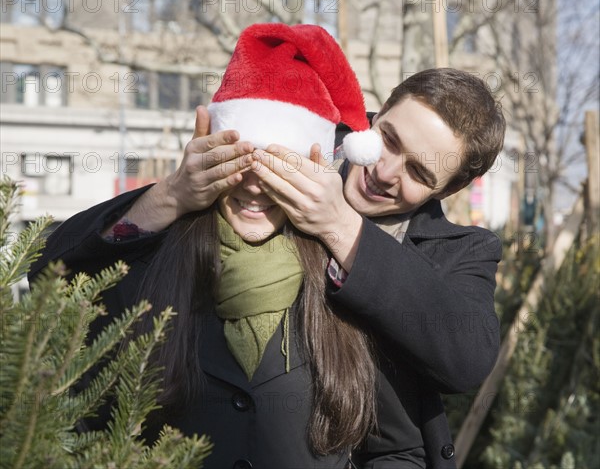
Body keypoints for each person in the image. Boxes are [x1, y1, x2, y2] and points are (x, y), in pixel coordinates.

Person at [30, 23, 428, 469]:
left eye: (279, 165)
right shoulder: (149, 267)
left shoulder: (349, 286)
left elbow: (400, 451)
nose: (255, 187)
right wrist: (171, 194)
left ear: (315, 167)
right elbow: (47, 274)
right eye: (240, 158)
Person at [174, 67, 506, 469]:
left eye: (418, 172)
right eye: (388, 139)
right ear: (377, 113)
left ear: (447, 189)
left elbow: (467, 360)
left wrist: (340, 228)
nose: (384, 173)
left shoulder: (459, 252)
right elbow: (88, 248)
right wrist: (172, 194)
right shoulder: (296, 136)